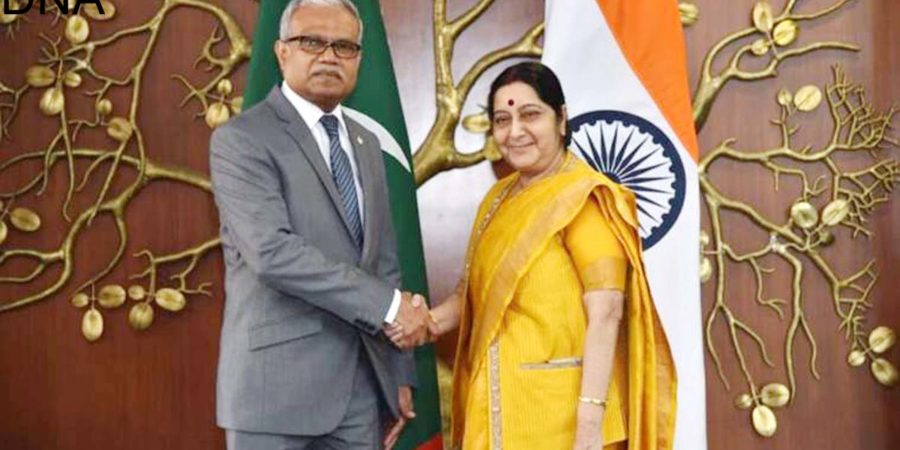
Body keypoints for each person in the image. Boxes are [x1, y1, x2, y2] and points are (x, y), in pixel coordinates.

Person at [388, 62, 677, 450]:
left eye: (530, 115)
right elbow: (470, 294)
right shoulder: (498, 198)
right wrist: (423, 322)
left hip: (565, 422)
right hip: (498, 413)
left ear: (561, 119)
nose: (515, 131)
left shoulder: (584, 197)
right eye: (502, 120)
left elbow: (607, 311)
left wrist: (589, 425)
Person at [209, 1, 432, 449]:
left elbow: (384, 263)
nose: (329, 56)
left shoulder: (366, 143)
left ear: (359, 60)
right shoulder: (241, 139)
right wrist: (390, 307)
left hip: (361, 393)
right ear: (282, 52)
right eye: (312, 42)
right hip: (273, 395)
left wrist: (397, 371)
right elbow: (272, 253)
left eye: (344, 46)